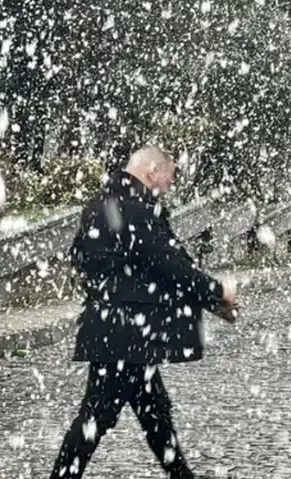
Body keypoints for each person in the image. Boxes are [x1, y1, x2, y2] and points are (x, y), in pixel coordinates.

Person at [50, 146, 238, 479]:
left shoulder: (100, 206)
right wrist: (216, 291)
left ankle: (181, 476)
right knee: (97, 416)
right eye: (169, 175)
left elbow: (84, 259)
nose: (169, 183)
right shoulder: (138, 211)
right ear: (152, 171)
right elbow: (170, 266)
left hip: (117, 329)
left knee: (154, 410)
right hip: (128, 333)